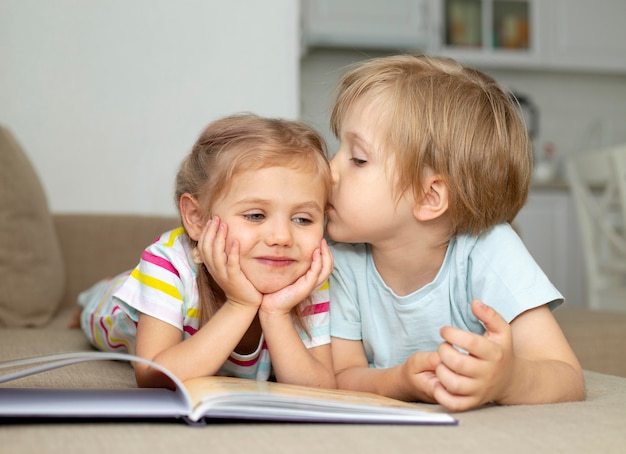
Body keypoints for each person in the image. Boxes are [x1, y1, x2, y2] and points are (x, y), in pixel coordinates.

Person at [326, 54, 585, 412]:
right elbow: (339, 376)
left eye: (357, 159)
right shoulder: (340, 256)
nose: (329, 170)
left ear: (429, 197)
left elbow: (567, 375)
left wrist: (509, 380)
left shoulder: (489, 250)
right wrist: (400, 381)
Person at [78, 113, 335, 390]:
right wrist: (241, 305)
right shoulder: (168, 263)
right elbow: (153, 376)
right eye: (255, 215)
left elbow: (320, 389)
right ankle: (99, 290)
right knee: (97, 303)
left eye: (303, 219)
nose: (282, 237)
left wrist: (276, 313)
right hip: (114, 313)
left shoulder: (307, 275)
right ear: (197, 218)